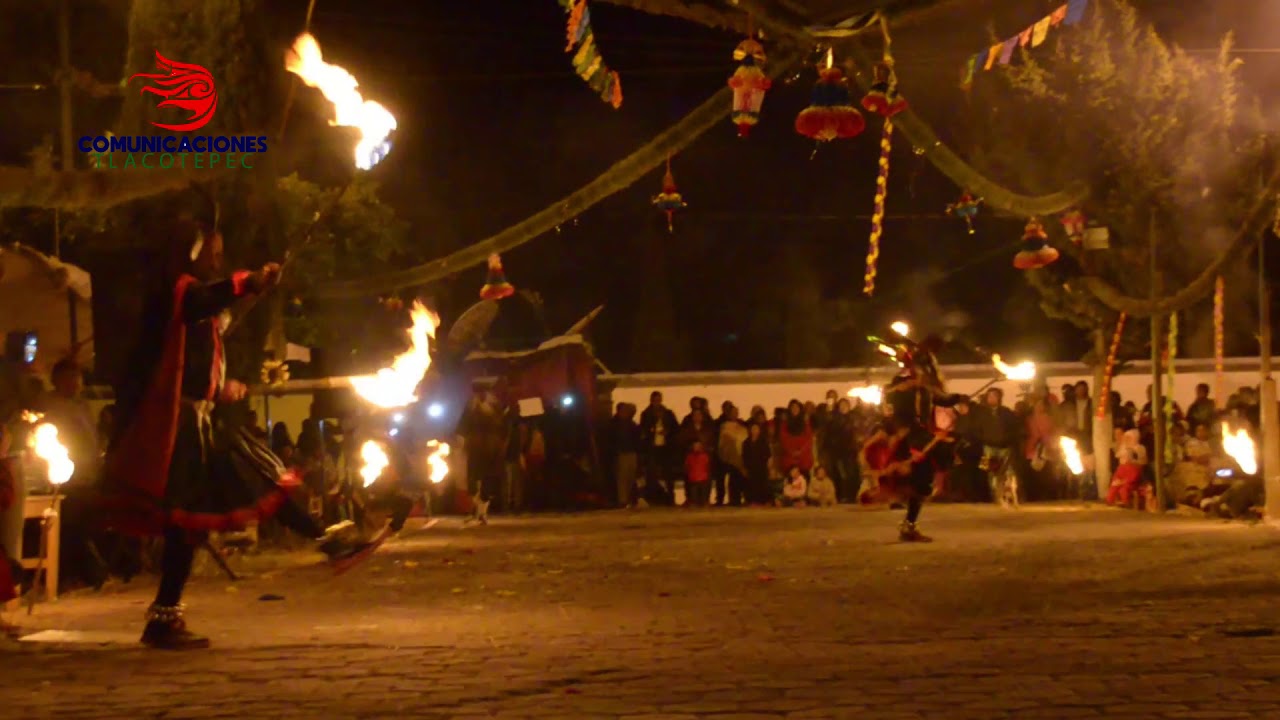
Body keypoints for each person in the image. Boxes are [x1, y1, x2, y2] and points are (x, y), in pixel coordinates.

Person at [99, 219, 363, 650]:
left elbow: (195, 359)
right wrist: (249, 281)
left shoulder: (193, 304)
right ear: (193, 251)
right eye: (213, 253)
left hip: (197, 422)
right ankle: (326, 540)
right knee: (198, 511)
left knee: (251, 480)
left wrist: (221, 387)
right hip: (175, 430)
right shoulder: (180, 292)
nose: (218, 260)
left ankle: (328, 539)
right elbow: (205, 300)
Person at [861, 334, 962, 541]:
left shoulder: (925, 387)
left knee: (922, 482)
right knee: (923, 470)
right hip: (907, 438)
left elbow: (941, 399)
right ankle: (905, 518)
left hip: (920, 435)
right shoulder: (900, 386)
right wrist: (907, 443)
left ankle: (909, 526)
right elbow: (897, 414)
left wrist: (961, 400)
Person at [972, 388, 1021, 506]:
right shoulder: (982, 413)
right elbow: (977, 430)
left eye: (994, 396)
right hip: (988, 447)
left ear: (999, 398)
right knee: (989, 472)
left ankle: (1010, 496)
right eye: (989, 396)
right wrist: (984, 439)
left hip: (1005, 447)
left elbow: (1014, 428)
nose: (991, 399)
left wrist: (1008, 440)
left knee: (1008, 472)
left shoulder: (1006, 412)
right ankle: (995, 496)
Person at [639, 392, 678, 506]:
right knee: (652, 472)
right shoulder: (646, 414)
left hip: (666, 447)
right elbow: (643, 429)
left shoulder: (668, 413)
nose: (657, 402)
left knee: (668, 473)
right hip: (652, 447)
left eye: (658, 400)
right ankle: (653, 496)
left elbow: (675, 428)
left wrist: (667, 432)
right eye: (655, 400)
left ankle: (670, 497)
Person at [716, 405, 748, 506]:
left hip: (741, 457)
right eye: (733, 412)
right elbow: (724, 443)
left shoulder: (742, 426)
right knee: (732, 480)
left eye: (736, 412)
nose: (735, 414)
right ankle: (732, 499)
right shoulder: (724, 426)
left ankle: (738, 499)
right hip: (729, 458)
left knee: (739, 479)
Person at [610, 403, 640, 508]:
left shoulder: (630, 424)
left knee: (630, 477)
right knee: (622, 477)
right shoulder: (615, 424)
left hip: (630, 452)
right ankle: (623, 500)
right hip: (622, 453)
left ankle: (627, 499)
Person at [778, 400, 814, 477]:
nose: (795, 409)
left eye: (796, 407)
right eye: (792, 407)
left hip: (804, 459)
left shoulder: (805, 422)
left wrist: (801, 451)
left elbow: (809, 438)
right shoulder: (785, 423)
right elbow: (783, 439)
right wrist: (791, 451)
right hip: (790, 459)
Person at [742, 422, 772, 506]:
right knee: (752, 484)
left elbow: (768, 454)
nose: (754, 430)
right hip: (751, 467)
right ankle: (753, 501)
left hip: (762, 466)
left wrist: (769, 465)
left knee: (763, 484)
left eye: (756, 429)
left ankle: (765, 501)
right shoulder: (746, 442)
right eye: (753, 429)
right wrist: (744, 467)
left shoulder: (763, 441)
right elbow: (744, 456)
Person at [683, 440, 711, 507]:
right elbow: (686, 467)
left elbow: (708, 466)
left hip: (703, 478)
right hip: (693, 479)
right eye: (695, 446)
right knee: (694, 497)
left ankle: (703, 502)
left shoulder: (705, 456)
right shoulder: (689, 457)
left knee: (703, 495)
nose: (697, 448)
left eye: (698, 446)